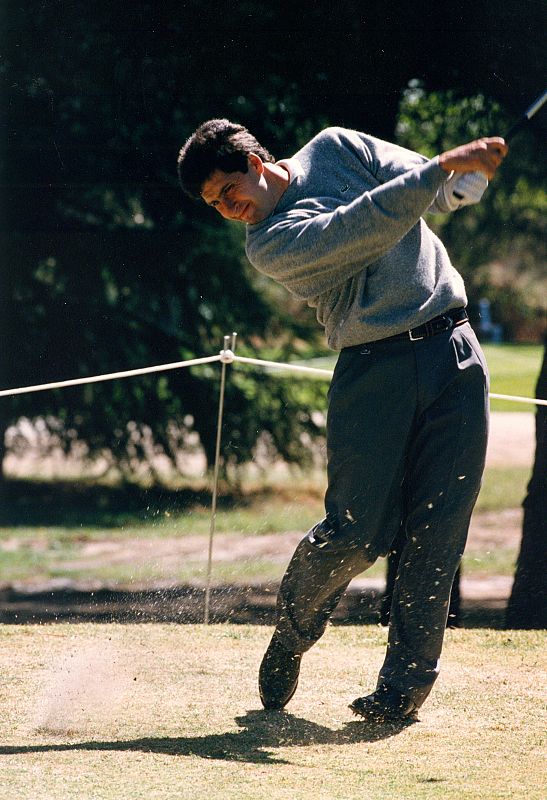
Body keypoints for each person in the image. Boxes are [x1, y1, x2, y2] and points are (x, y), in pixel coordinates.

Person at [177, 119, 508, 722]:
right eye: (215, 207)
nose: (229, 211)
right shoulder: (270, 243)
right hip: (371, 368)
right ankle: (294, 631)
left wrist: (463, 180)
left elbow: (421, 183)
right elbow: (358, 228)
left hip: (455, 353)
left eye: (227, 193)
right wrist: (439, 171)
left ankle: (401, 691)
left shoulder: (336, 147)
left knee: (437, 535)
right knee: (358, 533)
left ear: (254, 160)